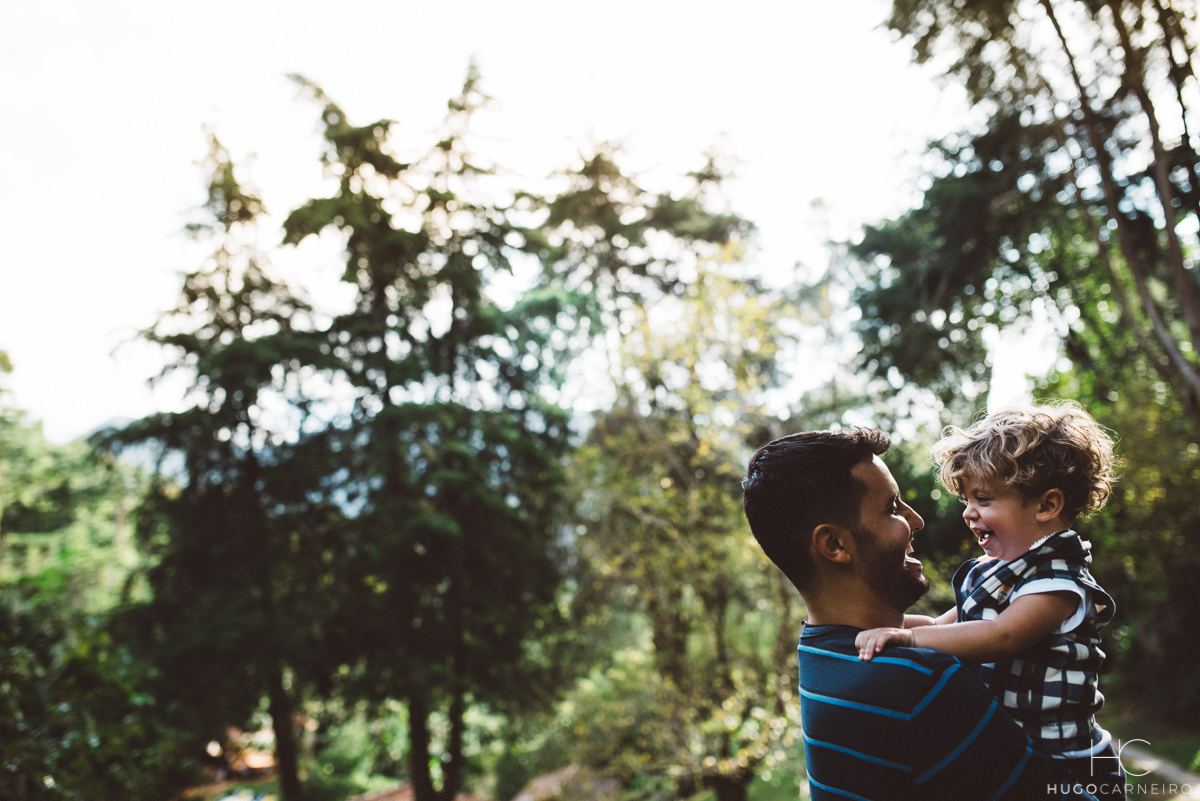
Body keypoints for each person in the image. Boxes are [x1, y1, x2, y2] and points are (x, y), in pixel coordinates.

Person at [742, 427, 1101, 800]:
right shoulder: (921, 682)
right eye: (893, 508)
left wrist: (908, 635)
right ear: (834, 544)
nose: (917, 521)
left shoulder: (821, 653)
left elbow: (991, 633)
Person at [854, 403, 1124, 798]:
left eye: (984, 499)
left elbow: (1001, 636)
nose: (969, 513)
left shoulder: (1058, 582)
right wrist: (867, 624)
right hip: (1019, 752)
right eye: (966, 500)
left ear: (1047, 506)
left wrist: (906, 640)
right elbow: (937, 627)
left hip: (1072, 762)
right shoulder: (993, 572)